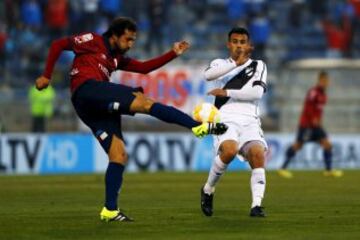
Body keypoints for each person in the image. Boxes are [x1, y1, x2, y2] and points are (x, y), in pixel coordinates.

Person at [35, 17, 227, 222]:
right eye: (127, 39)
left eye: (133, 40)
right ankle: (197, 126)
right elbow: (58, 44)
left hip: (92, 108)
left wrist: (173, 53)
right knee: (143, 102)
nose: (130, 44)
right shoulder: (93, 40)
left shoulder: (117, 58)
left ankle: (110, 210)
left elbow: (144, 68)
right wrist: (47, 75)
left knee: (119, 155)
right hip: (86, 90)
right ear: (114, 35)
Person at [200, 27, 268, 218]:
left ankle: (256, 205)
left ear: (249, 45)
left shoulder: (259, 65)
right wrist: (234, 63)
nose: (239, 45)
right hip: (225, 117)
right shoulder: (219, 64)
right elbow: (208, 76)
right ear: (229, 44)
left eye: (242, 42)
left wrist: (227, 92)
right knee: (229, 151)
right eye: (235, 42)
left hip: (250, 120)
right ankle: (207, 190)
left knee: (257, 154)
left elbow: (257, 93)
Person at [278, 71, 343, 178]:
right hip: (307, 125)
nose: (325, 83)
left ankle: (328, 170)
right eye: (323, 80)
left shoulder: (323, 94)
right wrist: (313, 119)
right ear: (319, 80)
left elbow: (319, 111)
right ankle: (282, 168)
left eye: (326, 81)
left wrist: (319, 121)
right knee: (298, 145)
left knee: (327, 145)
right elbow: (308, 107)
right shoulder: (313, 92)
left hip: (316, 126)